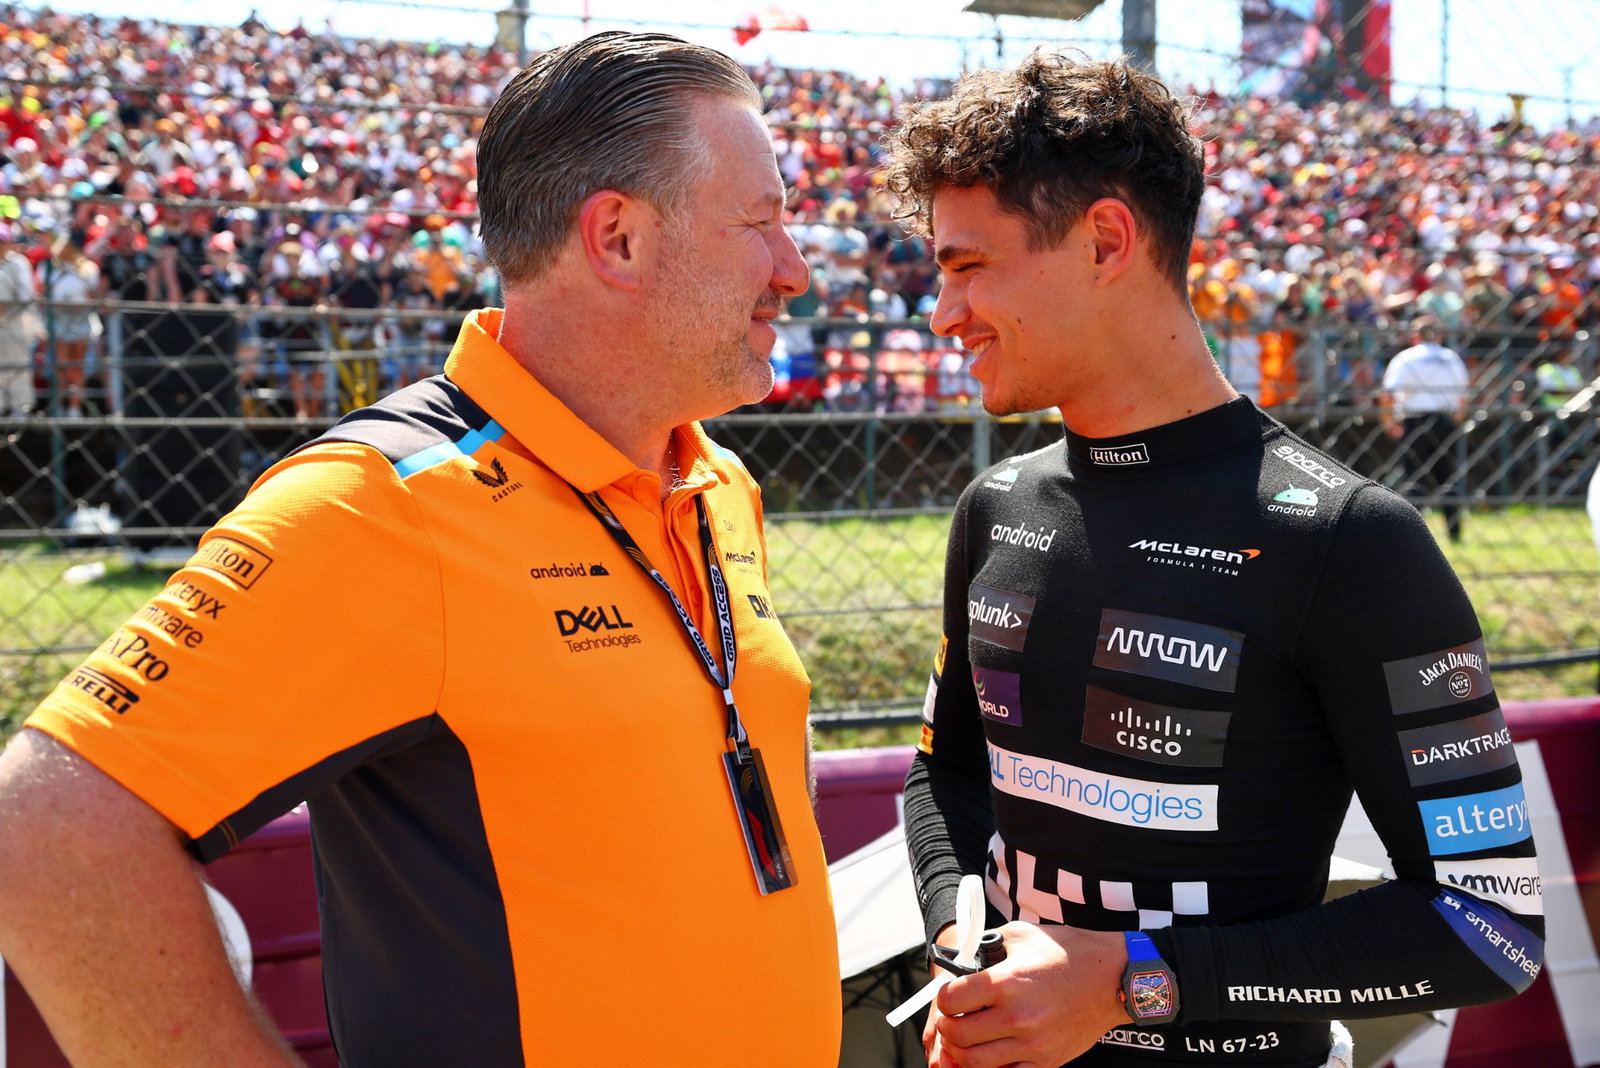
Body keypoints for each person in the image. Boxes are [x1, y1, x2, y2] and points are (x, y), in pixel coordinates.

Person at [0, 31, 840, 1067]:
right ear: (616, 238)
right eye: (761, 223)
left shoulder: (714, 480)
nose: (794, 269)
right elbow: (46, 832)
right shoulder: (380, 506)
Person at [883, 50, 1542, 1068]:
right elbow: (948, 778)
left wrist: (1134, 984)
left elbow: (1489, 929)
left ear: (1105, 238)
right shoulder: (996, 505)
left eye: (967, 265)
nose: (944, 314)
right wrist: (961, 931)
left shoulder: (1348, 537)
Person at [1381, 316, 1471, 543]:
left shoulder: (1406, 358)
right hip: (1444, 421)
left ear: (1414, 335)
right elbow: (1462, 398)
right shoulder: (1451, 358)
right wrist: (1455, 421)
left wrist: (1389, 421)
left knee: (1414, 478)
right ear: (1439, 335)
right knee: (1447, 477)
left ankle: (1412, 535)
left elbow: (1388, 392)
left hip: (1414, 420)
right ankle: (1455, 531)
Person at [0, 221, 36, 415]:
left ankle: (20, 410)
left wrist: (6, 307)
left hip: (15, 321)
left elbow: (26, 296)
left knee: (18, 366)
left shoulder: (18, 263)